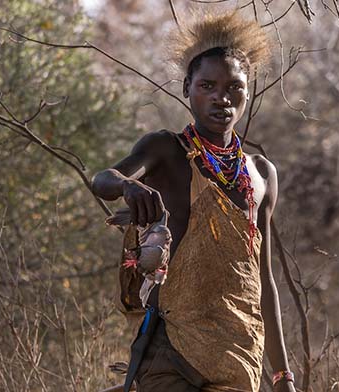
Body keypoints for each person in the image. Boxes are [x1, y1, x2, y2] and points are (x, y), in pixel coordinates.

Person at [91, 11, 295, 392]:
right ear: (187, 88)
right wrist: (128, 187)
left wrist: (284, 376)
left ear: (249, 91)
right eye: (208, 86)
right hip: (172, 346)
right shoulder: (165, 150)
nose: (222, 98)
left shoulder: (261, 174)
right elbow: (102, 180)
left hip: (239, 350)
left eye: (235, 87)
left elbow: (263, 279)